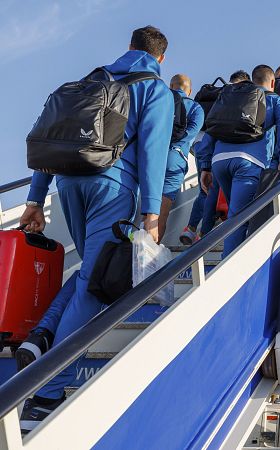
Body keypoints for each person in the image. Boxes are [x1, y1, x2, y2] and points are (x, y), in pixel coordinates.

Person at [17, 25, 173, 433]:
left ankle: (41, 336)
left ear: (129, 47)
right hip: (112, 187)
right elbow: (153, 151)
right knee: (94, 286)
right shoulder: (154, 89)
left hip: (69, 182)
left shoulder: (91, 79)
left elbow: (53, 136)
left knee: (91, 270)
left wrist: (35, 199)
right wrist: (152, 212)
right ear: (160, 58)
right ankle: (46, 395)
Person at [201, 65, 280, 257]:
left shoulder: (233, 97)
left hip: (219, 161)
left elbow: (211, 131)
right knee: (238, 218)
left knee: (237, 212)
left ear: (252, 80)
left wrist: (205, 166)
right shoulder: (275, 100)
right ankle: (228, 265)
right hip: (249, 162)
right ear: (272, 82)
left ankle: (237, 253)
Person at [181, 70, 251, 245]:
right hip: (216, 145)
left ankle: (191, 229)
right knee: (213, 189)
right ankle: (205, 233)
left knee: (205, 189)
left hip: (199, 144)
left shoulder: (218, 95)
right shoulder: (235, 99)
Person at [159, 74, 204, 240]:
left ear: (170, 86)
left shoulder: (160, 102)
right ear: (189, 91)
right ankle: (149, 250)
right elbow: (192, 132)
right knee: (161, 212)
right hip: (175, 158)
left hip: (152, 157)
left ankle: (135, 245)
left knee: (147, 208)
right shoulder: (196, 108)